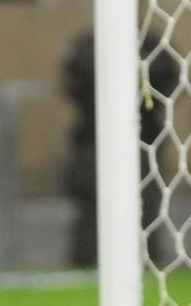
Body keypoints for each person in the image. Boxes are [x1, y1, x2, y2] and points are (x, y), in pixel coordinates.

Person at [60, 25, 178, 267]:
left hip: (144, 139)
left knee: (147, 205)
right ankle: (84, 263)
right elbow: (69, 84)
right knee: (92, 205)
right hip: (93, 139)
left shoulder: (154, 44)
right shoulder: (88, 44)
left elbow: (171, 83)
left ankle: (149, 263)